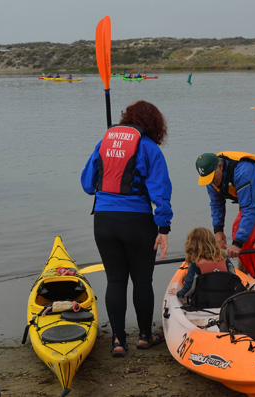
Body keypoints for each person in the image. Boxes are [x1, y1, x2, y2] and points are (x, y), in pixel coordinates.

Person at [81, 100, 172, 357]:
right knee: (142, 280)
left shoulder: (104, 142)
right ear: (155, 125)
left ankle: (118, 341)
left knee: (115, 280)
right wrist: (163, 227)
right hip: (138, 223)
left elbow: (88, 184)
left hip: (104, 221)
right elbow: (160, 193)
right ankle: (145, 335)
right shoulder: (149, 147)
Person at [195, 152, 255, 289]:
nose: (210, 182)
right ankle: (241, 286)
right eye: (207, 179)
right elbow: (216, 204)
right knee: (240, 239)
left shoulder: (243, 172)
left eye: (212, 178)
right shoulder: (210, 178)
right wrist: (218, 230)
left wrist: (237, 243)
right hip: (250, 198)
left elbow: (250, 210)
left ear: (220, 166)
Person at [168, 227, 236, 299]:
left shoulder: (195, 263)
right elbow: (233, 275)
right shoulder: (223, 258)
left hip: (204, 300)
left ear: (191, 244)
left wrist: (179, 293)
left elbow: (189, 287)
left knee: (185, 279)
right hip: (225, 297)